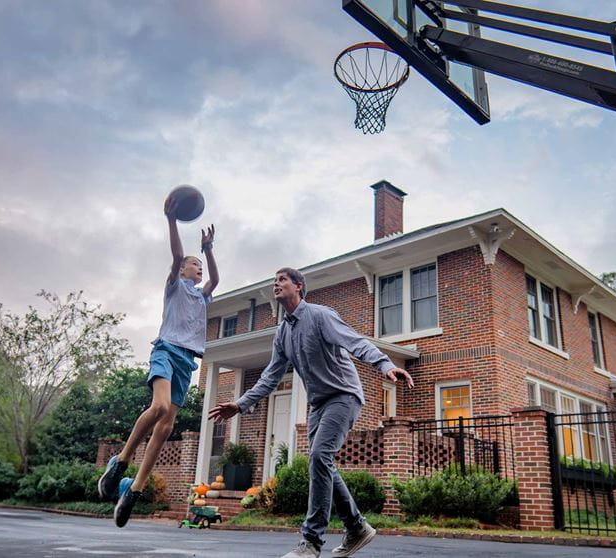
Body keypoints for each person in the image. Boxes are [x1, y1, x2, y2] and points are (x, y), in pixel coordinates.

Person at [209, 268, 413, 558]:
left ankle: (311, 543)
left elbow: (354, 342)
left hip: (343, 395)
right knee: (321, 462)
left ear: (299, 286)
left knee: (320, 457)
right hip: (318, 404)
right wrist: (240, 404)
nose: (276, 285)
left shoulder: (320, 315)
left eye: (282, 280)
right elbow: (270, 376)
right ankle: (357, 527)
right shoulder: (283, 333)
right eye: (274, 281)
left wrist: (384, 365)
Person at [98, 194, 219, 528]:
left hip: (187, 361)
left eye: (200, 265)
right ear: (183, 270)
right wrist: (172, 220)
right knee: (160, 408)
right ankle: (120, 461)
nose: (199, 268)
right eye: (195, 264)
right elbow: (178, 253)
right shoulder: (174, 285)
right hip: (166, 349)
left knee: (165, 427)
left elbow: (217, 281)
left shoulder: (201, 294)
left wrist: (209, 249)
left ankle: (133, 491)